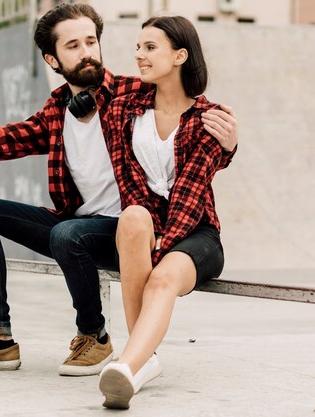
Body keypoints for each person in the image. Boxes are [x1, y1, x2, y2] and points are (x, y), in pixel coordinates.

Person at [0, 4, 237, 376]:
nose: (87, 51)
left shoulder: (132, 94)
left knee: (67, 233)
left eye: (92, 41)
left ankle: (94, 337)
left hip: (131, 229)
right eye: (73, 46)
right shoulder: (58, 110)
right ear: (52, 59)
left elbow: (185, 116)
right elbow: (2, 141)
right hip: (76, 225)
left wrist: (229, 145)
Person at [98, 16, 235, 408]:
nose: (139, 55)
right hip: (148, 228)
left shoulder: (209, 119)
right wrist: (150, 240)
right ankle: (138, 364)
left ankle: (129, 363)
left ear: (180, 55)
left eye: (150, 47)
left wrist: (161, 250)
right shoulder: (123, 110)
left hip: (197, 233)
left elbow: (191, 195)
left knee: (160, 280)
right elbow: (130, 185)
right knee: (132, 215)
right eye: (138, 47)